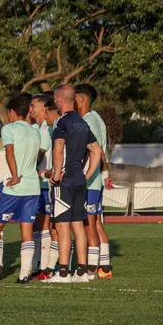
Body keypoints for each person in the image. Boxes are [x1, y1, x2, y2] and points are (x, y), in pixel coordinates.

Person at [42, 85, 102, 283]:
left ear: (59, 100)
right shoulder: (82, 123)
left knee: (62, 227)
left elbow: (58, 147)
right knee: (78, 225)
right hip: (79, 181)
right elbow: (96, 150)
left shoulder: (62, 121)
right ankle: (82, 272)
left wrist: (57, 174)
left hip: (65, 182)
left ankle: (64, 273)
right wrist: (88, 174)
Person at [0, 94, 41, 284]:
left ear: (12, 112)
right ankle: (24, 275)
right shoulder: (35, 132)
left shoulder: (9, 129)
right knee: (27, 231)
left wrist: (14, 176)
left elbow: (10, 153)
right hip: (33, 187)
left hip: (16, 187)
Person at [75, 84, 114, 279]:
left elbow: (92, 150)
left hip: (87, 179)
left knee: (88, 224)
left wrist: (83, 173)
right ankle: (104, 266)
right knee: (96, 222)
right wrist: (105, 174)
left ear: (82, 99)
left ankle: (91, 268)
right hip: (95, 179)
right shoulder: (97, 118)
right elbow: (103, 152)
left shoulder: (87, 121)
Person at [30, 94, 59, 280]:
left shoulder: (48, 130)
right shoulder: (38, 128)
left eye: (33, 106)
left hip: (44, 184)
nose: (30, 109)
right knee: (37, 225)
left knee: (46, 225)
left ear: (42, 108)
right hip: (36, 183)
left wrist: (27, 168)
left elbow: (40, 155)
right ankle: (39, 265)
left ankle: (47, 266)